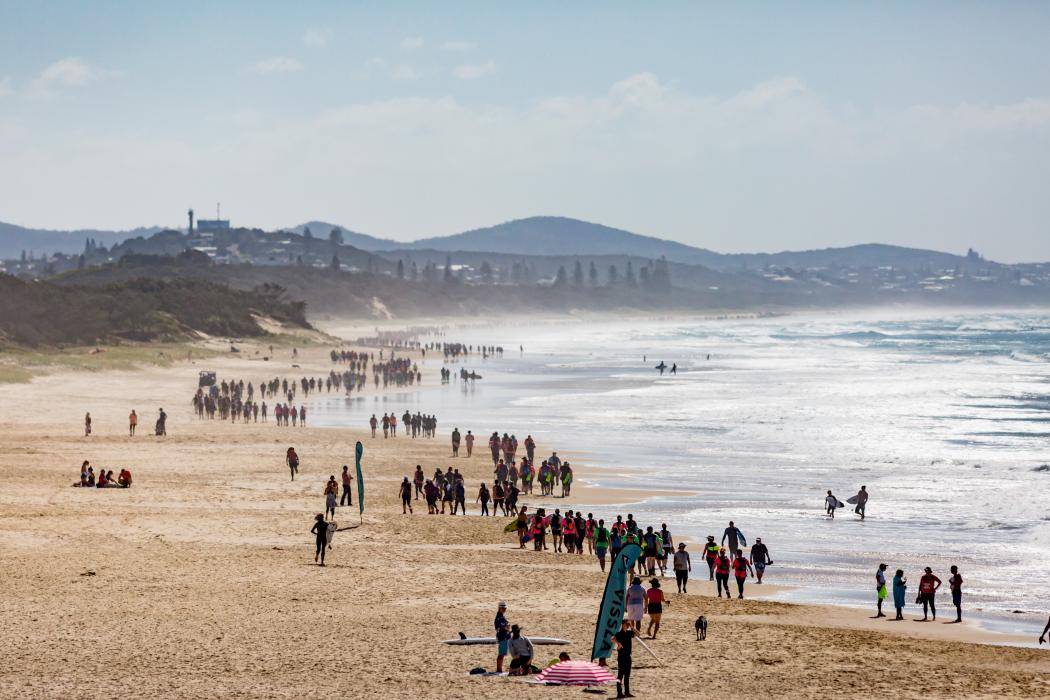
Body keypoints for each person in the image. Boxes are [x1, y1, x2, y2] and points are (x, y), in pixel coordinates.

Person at [613, 620, 635, 699]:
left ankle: (627, 692)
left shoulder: (629, 633)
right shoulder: (619, 634)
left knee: (627, 675)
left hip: (628, 656)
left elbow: (638, 634)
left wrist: (632, 626)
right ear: (622, 625)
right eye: (627, 624)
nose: (627, 625)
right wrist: (618, 643)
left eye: (628, 624)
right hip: (621, 657)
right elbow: (612, 639)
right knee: (620, 675)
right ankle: (619, 693)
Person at [494, 602, 510, 673]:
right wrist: (507, 627)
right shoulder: (499, 618)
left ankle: (499, 669)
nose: (504, 609)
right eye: (503, 608)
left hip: (504, 637)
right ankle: (499, 670)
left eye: (505, 608)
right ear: (499, 608)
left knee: (502, 654)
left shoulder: (501, 617)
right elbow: (503, 628)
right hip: (503, 638)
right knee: (501, 654)